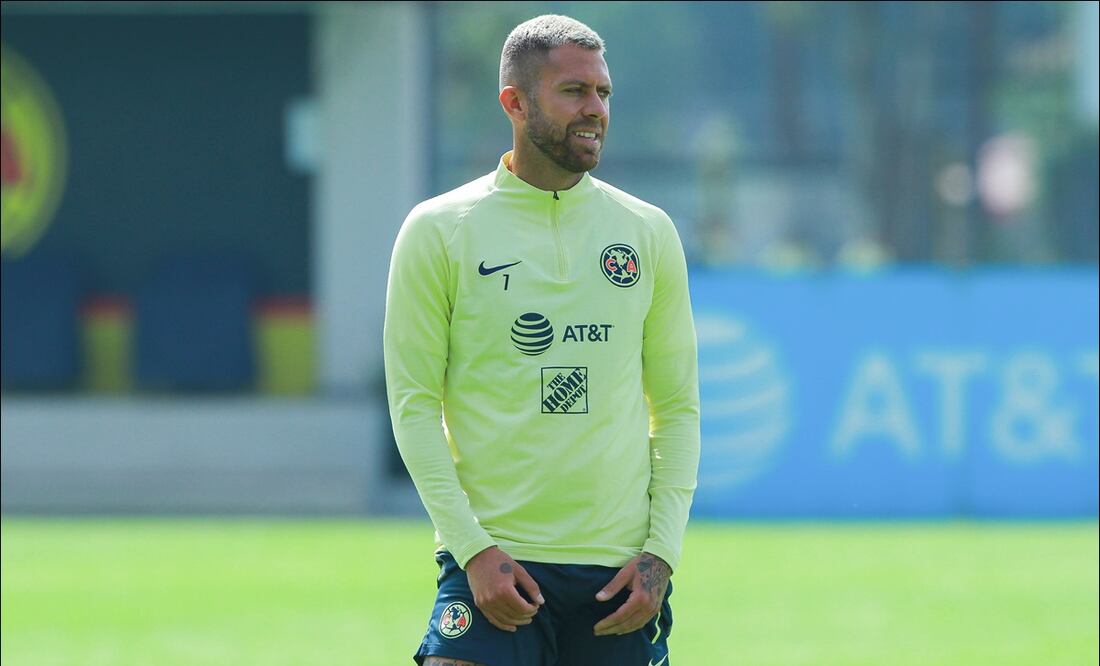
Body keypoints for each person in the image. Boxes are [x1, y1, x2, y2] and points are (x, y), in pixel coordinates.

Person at [384, 14, 700, 666]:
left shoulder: (647, 231)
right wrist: (472, 548)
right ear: (515, 103)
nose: (596, 110)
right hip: (495, 563)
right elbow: (413, 406)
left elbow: (676, 408)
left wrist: (661, 555)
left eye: (603, 92)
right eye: (574, 91)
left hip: (616, 574)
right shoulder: (438, 230)